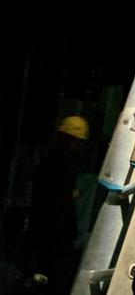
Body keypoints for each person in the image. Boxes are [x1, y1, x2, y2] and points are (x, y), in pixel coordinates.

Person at [24, 115, 90, 294]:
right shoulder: (60, 164)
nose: (80, 148)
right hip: (52, 234)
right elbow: (58, 204)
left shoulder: (53, 161)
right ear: (71, 141)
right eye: (79, 142)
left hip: (47, 233)